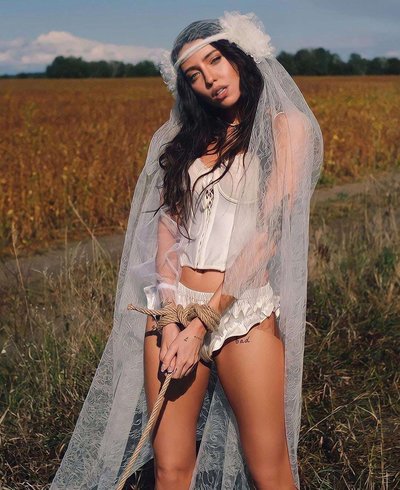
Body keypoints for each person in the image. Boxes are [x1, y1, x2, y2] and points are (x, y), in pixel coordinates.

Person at [50, 11, 323, 490]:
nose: (208, 79)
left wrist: (201, 325)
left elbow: (267, 235)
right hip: (174, 307)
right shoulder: (189, 139)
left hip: (240, 311)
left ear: (240, 57)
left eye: (214, 61)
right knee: (170, 468)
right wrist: (172, 318)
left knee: (270, 470)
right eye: (194, 74)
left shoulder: (285, 127)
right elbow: (167, 232)